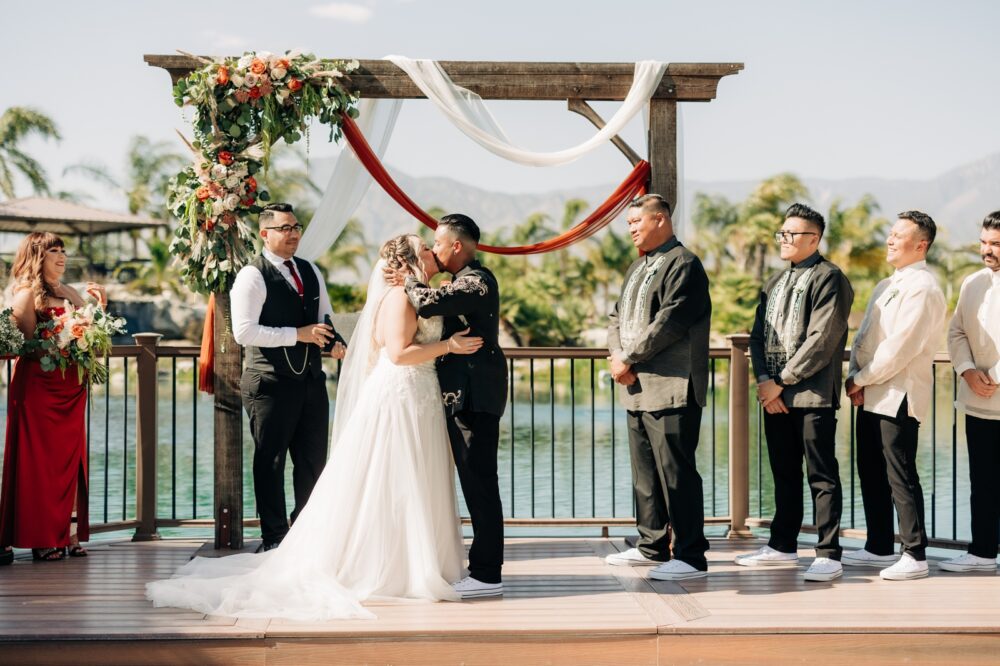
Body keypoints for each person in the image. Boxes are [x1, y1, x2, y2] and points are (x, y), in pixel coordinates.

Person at [147, 234, 482, 619]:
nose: (432, 251)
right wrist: (449, 347)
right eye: (425, 247)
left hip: (419, 396)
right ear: (412, 258)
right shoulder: (399, 297)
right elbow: (398, 353)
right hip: (402, 395)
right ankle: (390, 567)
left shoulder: (417, 291)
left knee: (411, 479)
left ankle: (416, 560)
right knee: (393, 477)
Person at [737, 204, 854, 582]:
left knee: (821, 475)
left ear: (814, 239)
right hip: (776, 395)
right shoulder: (773, 282)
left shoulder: (830, 278)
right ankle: (782, 546)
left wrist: (782, 381)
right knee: (783, 473)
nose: (784, 240)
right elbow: (757, 337)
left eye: (792, 234)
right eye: (781, 234)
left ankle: (828, 552)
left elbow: (823, 339)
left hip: (812, 394)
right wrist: (765, 382)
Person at [399, 214, 509, 599]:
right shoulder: (463, 282)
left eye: (438, 243)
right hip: (460, 397)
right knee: (473, 480)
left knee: (480, 482)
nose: (435, 249)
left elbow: (428, 305)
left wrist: (409, 279)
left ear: (457, 246)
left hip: (475, 399)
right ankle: (481, 568)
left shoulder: (477, 283)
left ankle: (487, 573)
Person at [603, 194, 712, 581]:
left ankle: (691, 555)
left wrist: (628, 358)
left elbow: (670, 322)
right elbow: (615, 316)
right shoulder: (637, 266)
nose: (631, 228)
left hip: (672, 386)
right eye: (629, 223)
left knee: (676, 473)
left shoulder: (684, 264)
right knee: (645, 474)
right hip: (635, 388)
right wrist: (619, 356)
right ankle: (651, 546)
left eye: (637, 221)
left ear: (661, 220)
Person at [230, 203, 345, 552]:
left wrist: (334, 341)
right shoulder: (252, 275)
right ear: (265, 234)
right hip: (269, 383)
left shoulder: (310, 271)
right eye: (285, 228)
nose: (293, 233)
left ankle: (306, 532)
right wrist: (298, 334)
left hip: (311, 381)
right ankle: (275, 538)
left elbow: (324, 315)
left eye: (296, 227)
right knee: (271, 461)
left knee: (313, 461)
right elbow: (243, 332)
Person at [844, 210, 946, 581]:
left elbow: (900, 348)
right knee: (870, 470)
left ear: (921, 245)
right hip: (873, 390)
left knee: (899, 474)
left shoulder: (924, 287)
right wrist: (857, 378)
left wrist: (861, 378)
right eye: (889, 232)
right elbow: (865, 337)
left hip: (898, 393)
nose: (889, 239)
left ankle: (915, 553)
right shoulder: (886, 285)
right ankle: (878, 545)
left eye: (898, 235)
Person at [0, 232, 106, 564]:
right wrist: (61, 341)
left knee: (70, 462)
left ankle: (69, 534)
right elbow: (28, 347)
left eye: (63, 251)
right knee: (41, 466)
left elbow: (91, 329)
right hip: (39, 390)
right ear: (36, 256)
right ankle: (42, 538)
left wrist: (95, 314)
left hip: (70, 388)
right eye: (53, 252)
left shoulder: (70, 291)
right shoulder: (26, 295)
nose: (61, 257)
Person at [939, 211, 1000, 573]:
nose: (986, 250)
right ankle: (982, 554)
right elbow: (956, 331)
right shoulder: (972, 282)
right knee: (983, 482)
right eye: (983, 242)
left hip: (991, 389)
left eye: (995, 244)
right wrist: (967, 371)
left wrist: (991, 374)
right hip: (978, 402)